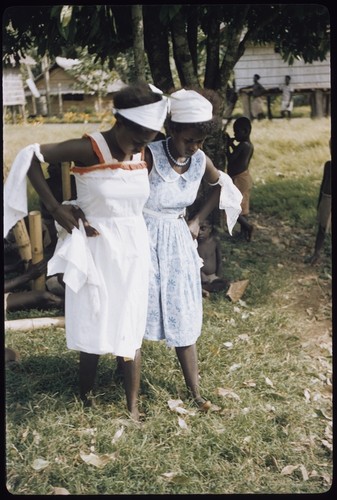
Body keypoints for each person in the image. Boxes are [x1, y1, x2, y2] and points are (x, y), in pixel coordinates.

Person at [4, 82, 169, 422]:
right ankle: (85, 394)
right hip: (96, 247)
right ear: (120, 122)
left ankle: (132, 406)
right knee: (94, 315)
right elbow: (29, 155)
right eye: (137, 139)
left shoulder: (143, 151)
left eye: (147, 141)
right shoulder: (90, 147)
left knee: (130, 316)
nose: (140, 147)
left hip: (133, 247)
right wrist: (55, 208)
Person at [142, 88, 243, 411]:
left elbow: (221, 185)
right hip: (143, 237)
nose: (194, 147)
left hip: (177, 241)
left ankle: (196, 391)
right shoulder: (149, 155)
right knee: (137, 307)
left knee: (182, 309)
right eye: (188, 140)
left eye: (199, 141)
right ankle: (125, 374)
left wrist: (197, 219)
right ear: (171, 130)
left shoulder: (200, 159)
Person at [226, 116, 254, 241]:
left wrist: (227, 146)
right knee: (243, 207)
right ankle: (243, 235)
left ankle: (247, 227)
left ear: (245, 131)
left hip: (239, 179)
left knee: (233, 206)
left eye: (237, 132)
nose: (235, 134)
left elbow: (231, 158)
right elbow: (236, 153)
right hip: (244, 177)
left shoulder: (244, 145)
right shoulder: (247, 145)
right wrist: (231, 143)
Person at [305, 139, 331, 265]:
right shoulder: (328, 165)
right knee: (322, 227)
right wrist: (319, 202)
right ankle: (316, 253)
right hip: (326, 199)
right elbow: (323, 184)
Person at [196, 215, 230, 296]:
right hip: (200, 277)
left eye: (203, 229)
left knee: (225, 283)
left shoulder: (214, 241)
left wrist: (218, 276)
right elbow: (193, 263)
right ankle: (202, 288)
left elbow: (219, 260)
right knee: (196, 284)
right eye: (197, 229)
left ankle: (205, 288)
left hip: (212, 276)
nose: (199, 232)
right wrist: (201, 275)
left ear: (210, 229)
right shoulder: (194, 244)